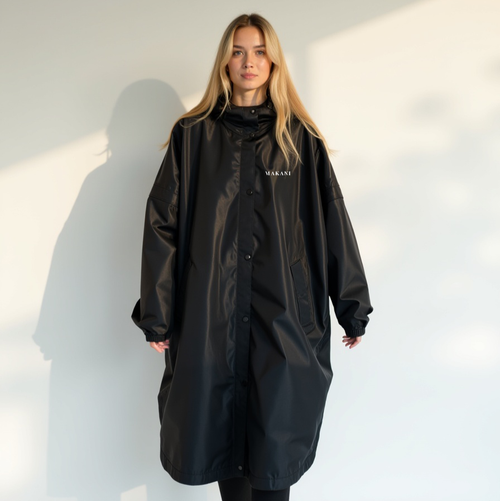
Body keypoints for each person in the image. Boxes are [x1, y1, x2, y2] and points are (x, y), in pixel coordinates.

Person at [131, 12, 373, 501]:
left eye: (260, 51)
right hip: (210, 325)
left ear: (274, 61)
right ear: (225, 61)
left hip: (282, 326)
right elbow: (162, 226)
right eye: (238, 51)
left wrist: (352, 306)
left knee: (272, 455)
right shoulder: (192, 137)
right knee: (224, 450)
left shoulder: (300, 141)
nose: (249, 61)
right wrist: (157, 314)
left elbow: (333, 223)